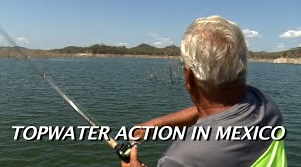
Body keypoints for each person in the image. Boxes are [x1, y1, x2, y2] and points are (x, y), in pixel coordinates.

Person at [121, 15, 287, 167]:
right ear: (241, 65)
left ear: (189, 77)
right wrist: (157, 125)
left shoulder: (181, 159)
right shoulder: (264, 103)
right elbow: (221, 109)